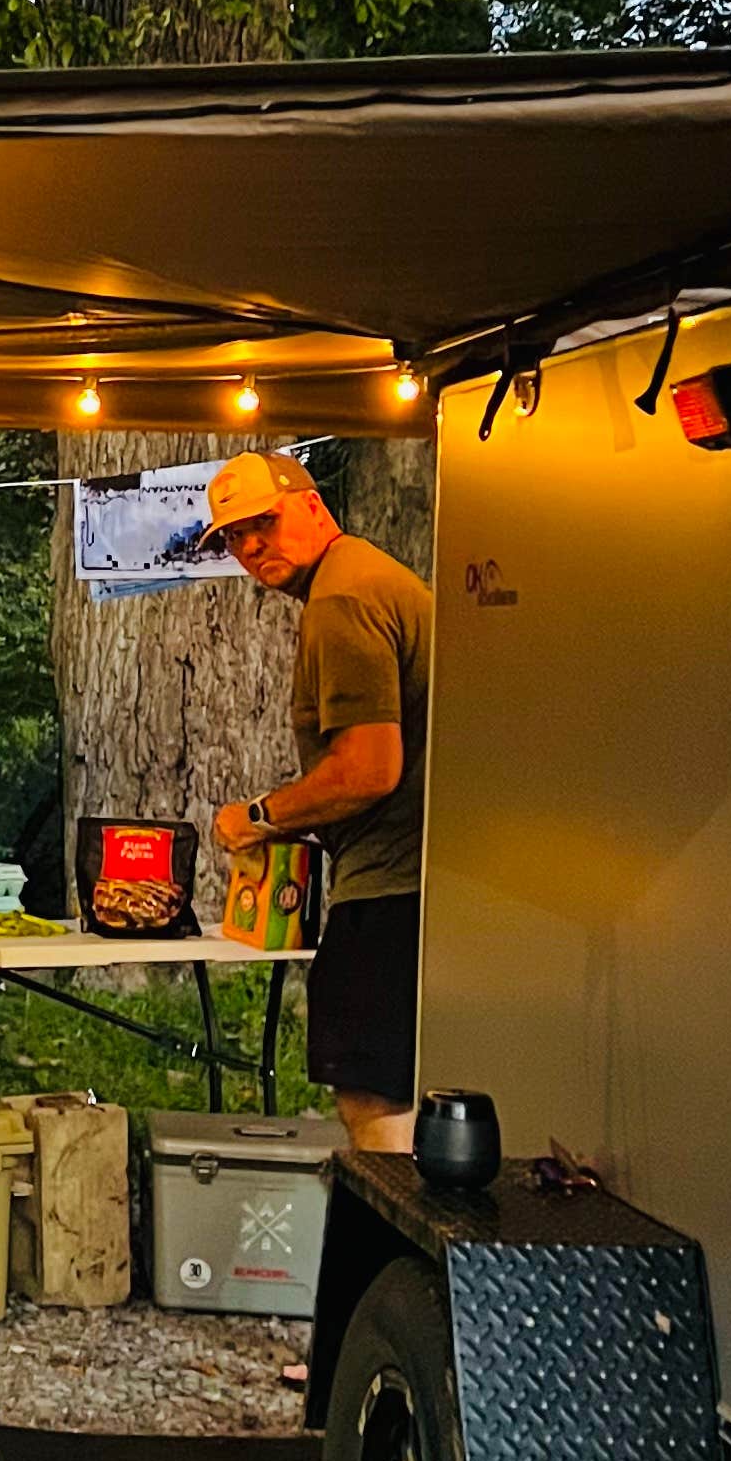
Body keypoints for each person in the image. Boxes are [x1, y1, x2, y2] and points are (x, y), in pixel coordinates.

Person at [194, 449, 431, 1153]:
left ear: (312, 505)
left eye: (261, 522)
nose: (250, 546)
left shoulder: (342, 600)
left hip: (395, 888)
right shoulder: (367, 577)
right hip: (429, 881)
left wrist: (261, 818)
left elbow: (367, 769)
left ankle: (407, 1257)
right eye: (232, 537)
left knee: (377, 1104)